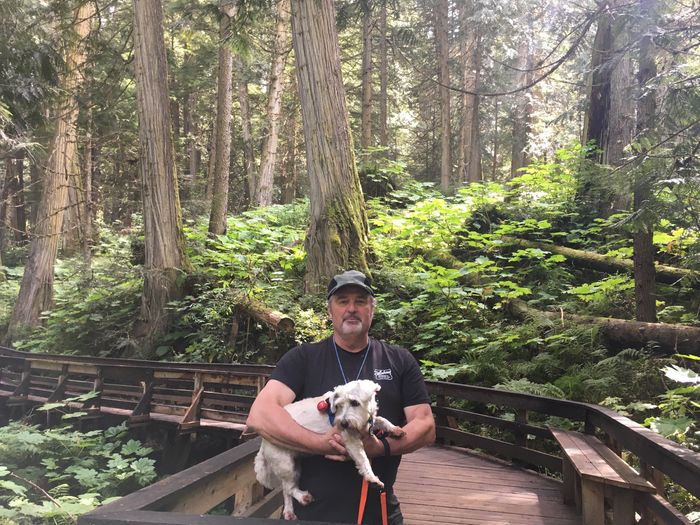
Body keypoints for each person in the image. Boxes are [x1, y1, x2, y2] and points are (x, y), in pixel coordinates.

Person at [246, 270, 435, 524]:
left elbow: (425, 425)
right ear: (330, 311)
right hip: (311, 513)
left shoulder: (399, 360)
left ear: (372, 309)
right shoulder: (303, 358)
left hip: (378, 512)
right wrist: (320, 443)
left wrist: (380, 448)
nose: (352, 308)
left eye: (360, 301)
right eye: (343, 301)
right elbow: (260, 415)